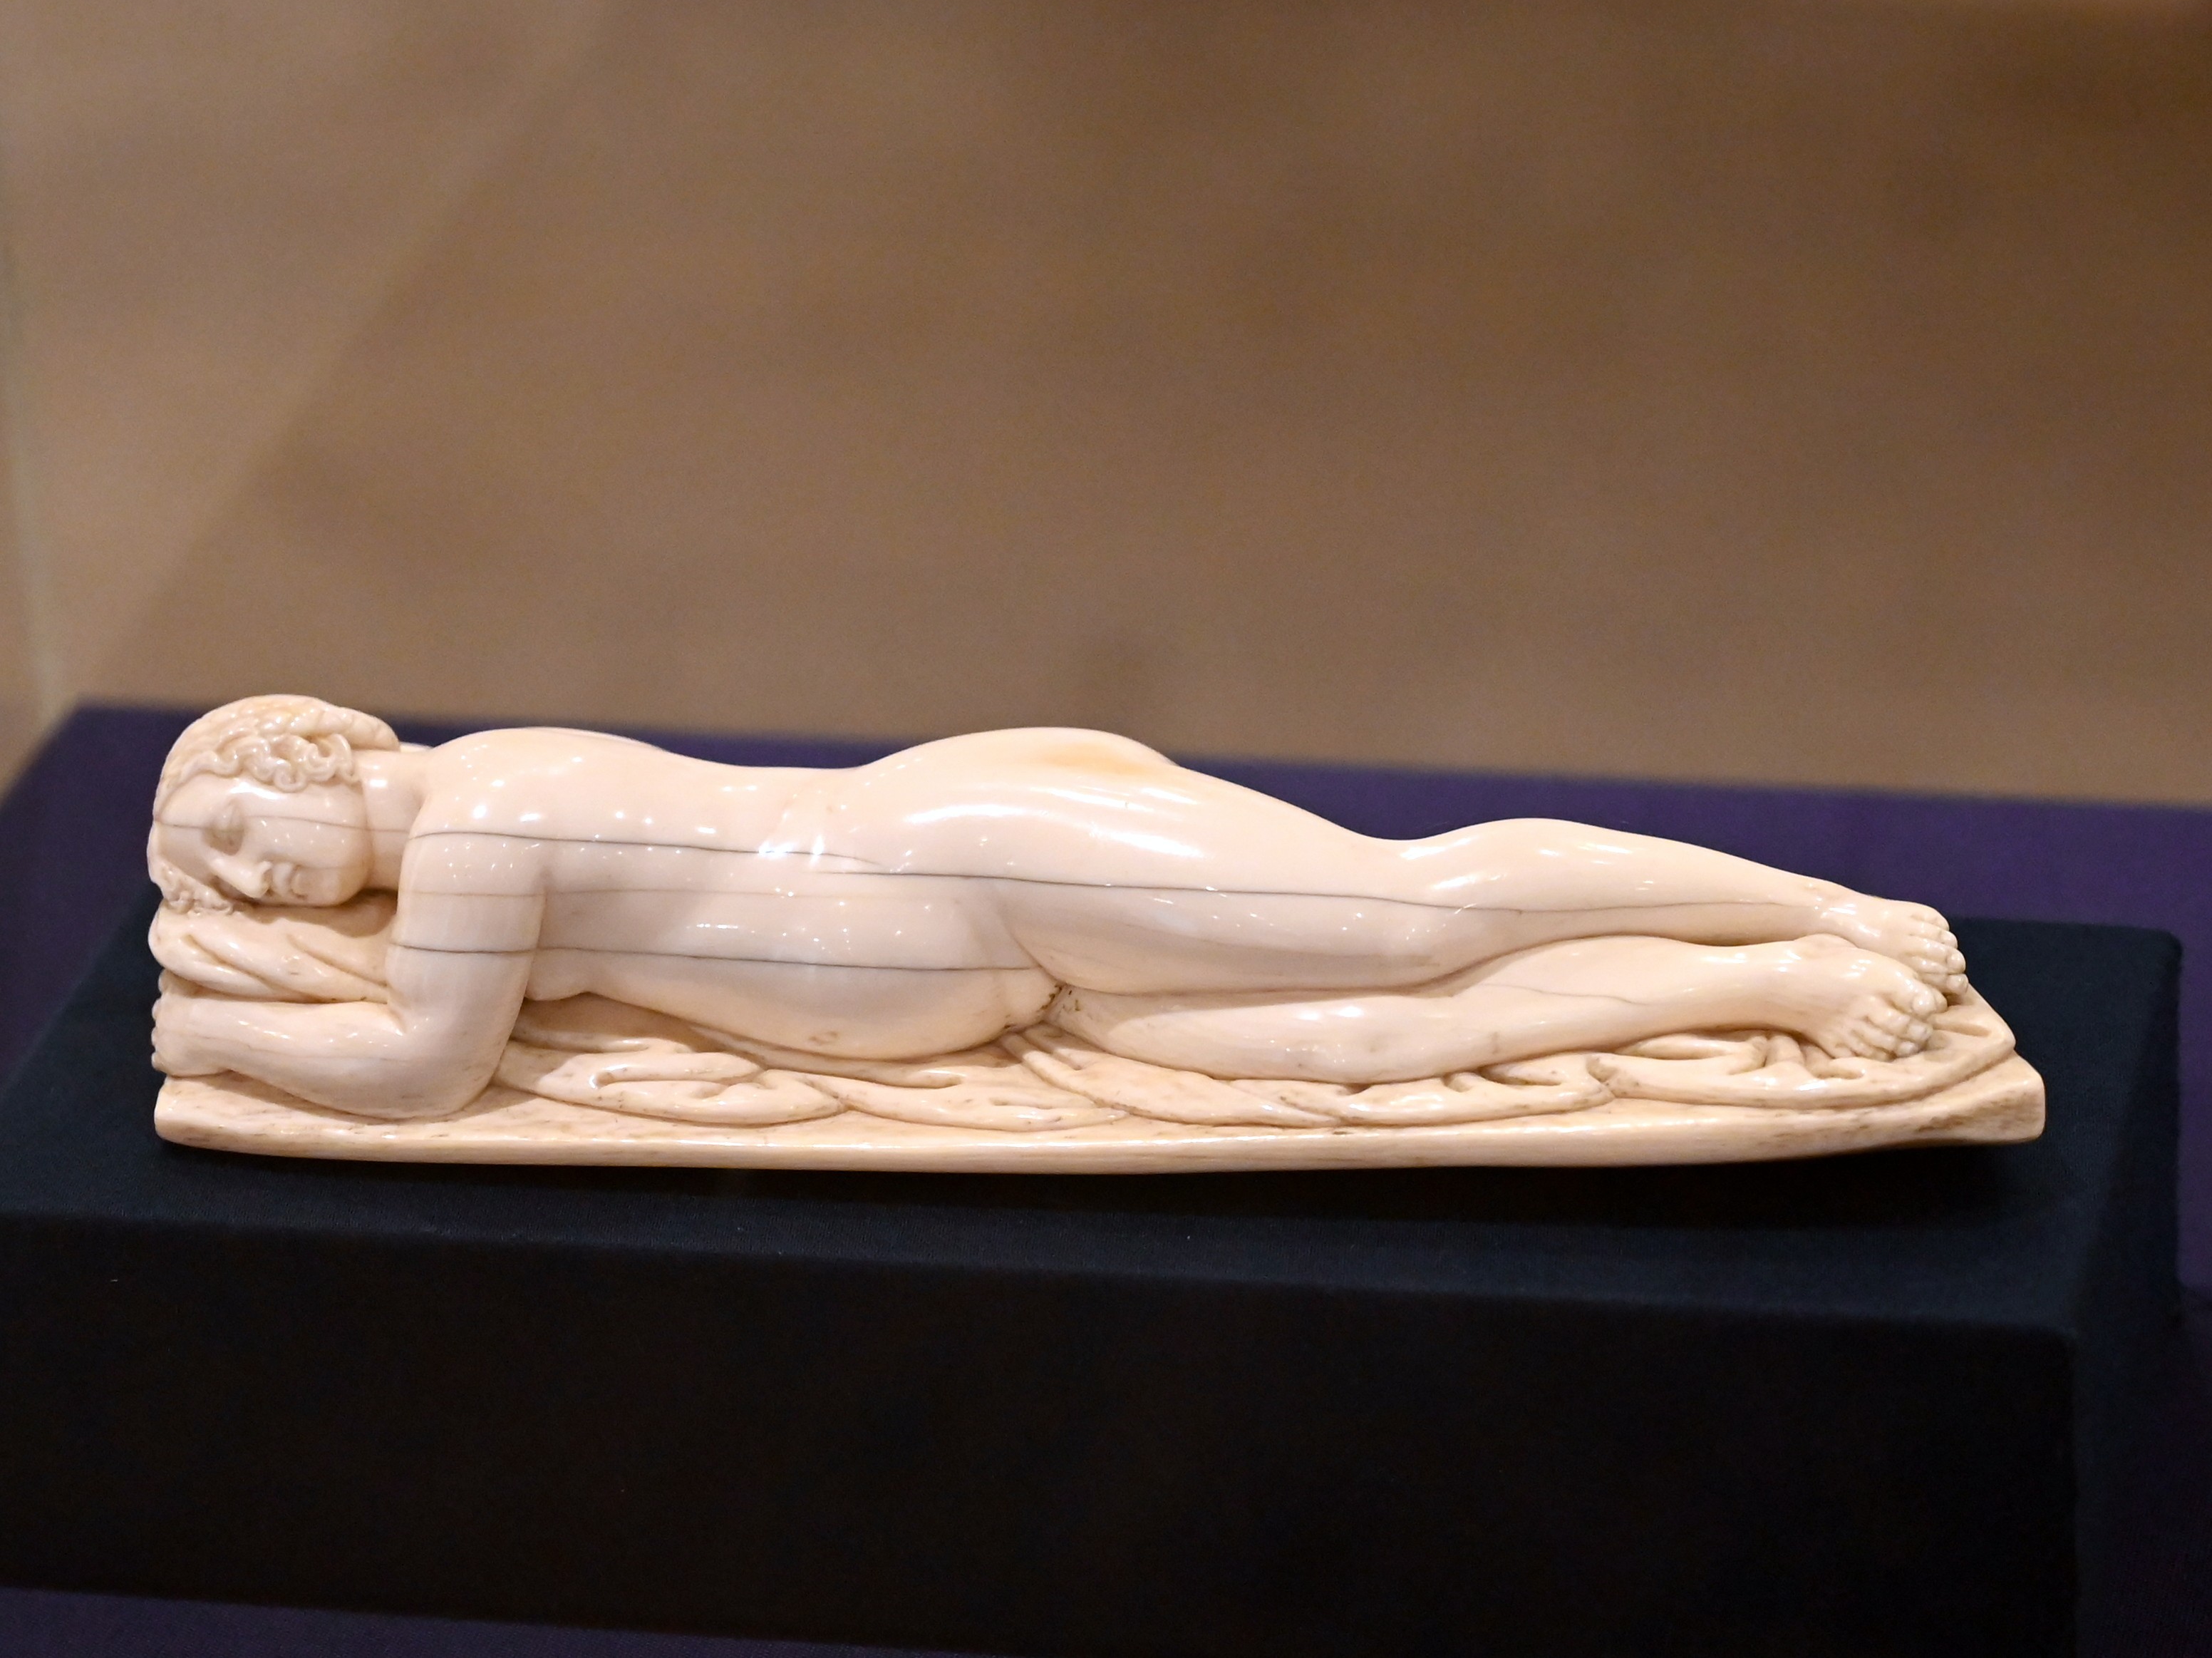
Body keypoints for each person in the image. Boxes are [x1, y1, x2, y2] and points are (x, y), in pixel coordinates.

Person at [150, 696, 1961, 1121]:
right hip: (989, 969)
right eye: (209, 877)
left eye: (229, 825)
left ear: (305, 747)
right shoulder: (462, 837)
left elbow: (426, 1070)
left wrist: (206, 1028)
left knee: (1404, 914)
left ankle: (1832, 902)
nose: (241, 877)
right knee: (1356, 1046)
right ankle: (1783, 990)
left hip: (972, 864)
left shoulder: (478, 819)